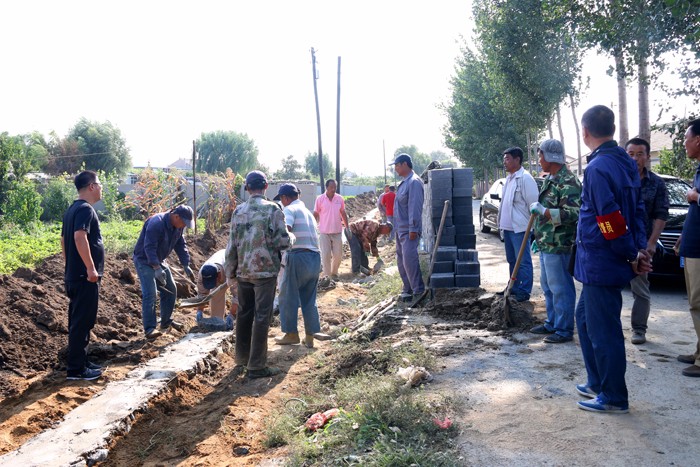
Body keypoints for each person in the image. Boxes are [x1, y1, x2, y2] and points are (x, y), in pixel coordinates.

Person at [573, 105, 651, 414]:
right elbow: (638, 211)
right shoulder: (626, 162)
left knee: (604, 331)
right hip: (610, 257)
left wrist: (630, 251)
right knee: (584, 318)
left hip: (602, 262)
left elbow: (609, 219)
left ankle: (614, 395)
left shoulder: (597, 168)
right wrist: (639, 248)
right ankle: (597, 380)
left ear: (585, 132)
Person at [225, 171, 294, 378]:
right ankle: (256, 366)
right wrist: (292, 237)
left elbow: (231, 245)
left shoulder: (238, 211)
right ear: (265, 187)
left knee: (244, 314)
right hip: (264, 272)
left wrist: (230, 272)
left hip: (243, 271)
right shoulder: (273, 209)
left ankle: (242, 358)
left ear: (247, 188)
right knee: (262, 316)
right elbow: (282, 241)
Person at [528, 139, 582, 344]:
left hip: (559, 244)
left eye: (540, 155)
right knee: (548, 286)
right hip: (546, 242)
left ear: (551, 157)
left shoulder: (568, 181)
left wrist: (544, 211)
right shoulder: (550, 178)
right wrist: (537, 237)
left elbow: (574, 213)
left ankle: (564, 328)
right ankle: (552, 322)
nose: (539, 159)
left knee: (561, 287)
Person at [625, 137, 669, 345]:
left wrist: (652, 243)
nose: (635, 159)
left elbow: (661, 214)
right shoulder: (618, 180)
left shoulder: (657, 183)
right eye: (630, 154)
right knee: (609, 288)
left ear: (648, 156)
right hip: (618, 243)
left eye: (639, 154)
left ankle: (639, 329)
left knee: (641, 290)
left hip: (641, 245)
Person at [61, 170, 104, 381]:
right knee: (81, 322)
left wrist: (70, 264)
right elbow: (79, 237)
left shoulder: (72, 209)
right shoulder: (85, 209)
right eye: (99, 183)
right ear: (91, 187)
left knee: (81, 321)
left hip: (74, 275)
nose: (101, 187)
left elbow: (63, 240)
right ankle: (76, 370)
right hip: (84, 277)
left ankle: (82, 361)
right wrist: (90, 268)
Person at [133, 205, 196, 339]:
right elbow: (149, 247)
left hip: (159, 259)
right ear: (176, 216)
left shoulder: (178, 226)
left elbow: (180, 244)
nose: (183, 226)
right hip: (144, 260)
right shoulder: (157, 223)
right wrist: (156, 268)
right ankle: (150, 329)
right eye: (183, 222)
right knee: (150, 293)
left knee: (171, 289)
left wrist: (186, 264)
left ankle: (166, 322)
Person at [272, 183, 322, 348]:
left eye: (282, 199)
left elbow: (285, 232)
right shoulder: (307, 212)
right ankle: (309, 336)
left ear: (285, 198)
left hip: (298, 256)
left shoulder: (289, 210)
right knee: (309, 298)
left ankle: (291, 333)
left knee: (287, 296)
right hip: (315, 257)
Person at [497, 147, 539, 302]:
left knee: (523, 261)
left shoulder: (525, 179)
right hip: (507, 228)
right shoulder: (509, 179)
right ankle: (513, 287)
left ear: (517, 159)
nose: (505, 162)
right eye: (504, 159)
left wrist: (532, 228)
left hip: (520, 228)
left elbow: (533, 205)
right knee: (512, 260)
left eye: (507, 158)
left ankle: (524, 291)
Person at [676, 118, 700, 377]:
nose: (683, 143)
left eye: (685, 138)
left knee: (698, 303)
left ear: (698, 140)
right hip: (693, 246)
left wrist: (695, 196)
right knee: (695, 302)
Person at [390, 153, 425, 301]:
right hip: (400, 229)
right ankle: (408, 288)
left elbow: (414, 208)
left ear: (405, 164)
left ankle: (418, 291)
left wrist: (413, 229)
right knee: (401, 260)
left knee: (409, 260)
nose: (395, 169)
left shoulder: (414, 182)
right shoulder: (404, 182)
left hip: (408, 230)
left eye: (397, 165)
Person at [313, 179, 349, 281]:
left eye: (335, 187)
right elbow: (315, 214)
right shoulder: (320, 199)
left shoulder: (339, 199)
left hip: (337, 231)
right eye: (331, 187)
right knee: (325, 255)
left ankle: (334, 273)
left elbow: (343, 213)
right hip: (324, 232)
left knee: (338, 255)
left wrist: (347, 227)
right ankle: (327, 276)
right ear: (326, 187)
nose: (333, 189)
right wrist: (313, 227)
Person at [196, 249, 236, 330]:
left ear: (218, 275)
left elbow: (239, 296)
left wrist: (231, 315)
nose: (211, 286)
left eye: (213, 282)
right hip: (220, 270)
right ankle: (218, 323)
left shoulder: (231, 270)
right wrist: (199, 311)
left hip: (230, 264)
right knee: (215, 294)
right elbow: (202, 295)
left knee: (244, 300)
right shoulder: (202, 274)